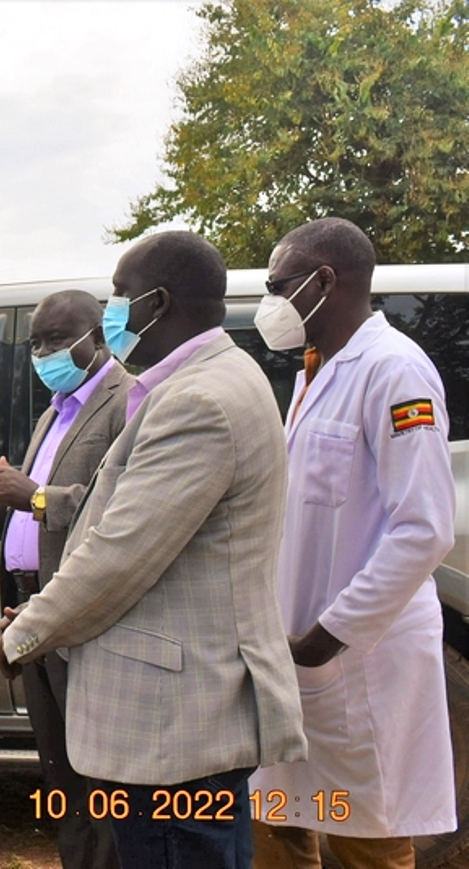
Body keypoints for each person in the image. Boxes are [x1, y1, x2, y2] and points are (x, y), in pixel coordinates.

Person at [0, 231, 307, 868]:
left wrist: (22, 636)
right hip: (182, 711)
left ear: (157, 302)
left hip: (172, 726)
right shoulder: (206, 380)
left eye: (119, 295)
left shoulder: (197, 401)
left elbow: (118, 555)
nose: (112, 310)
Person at [249, 218, 455, 869]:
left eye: (277, 284)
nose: (270, 301)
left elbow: (424, 528)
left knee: (367, 835)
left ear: (324, 280)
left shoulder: (394, 372)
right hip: (298, 654)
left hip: (359, 659)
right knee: (279, 821)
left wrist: (328, 635)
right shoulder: (315, 373)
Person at [0, 290, 127, 869]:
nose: (45, 351)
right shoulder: (57, 408)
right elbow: (36, 503)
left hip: (84, 615)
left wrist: (37, 495)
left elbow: (127, 512)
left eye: (58, 338)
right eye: (37, 342)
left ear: (97, 336)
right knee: (61, 773)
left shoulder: (130, 401)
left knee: (102, 778)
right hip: (33, 608)